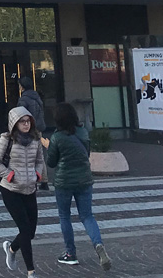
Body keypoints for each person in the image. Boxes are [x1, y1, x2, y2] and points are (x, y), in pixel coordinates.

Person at [46, 102, 111, 270]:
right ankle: (98, 244)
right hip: (84, 179)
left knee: (64, 216)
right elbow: (86, 154)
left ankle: (70, 253)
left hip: (64, 182)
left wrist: (48, 146)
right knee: (87, 216)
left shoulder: (57, 137)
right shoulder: (83, 132)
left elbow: (51, 162)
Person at [0, 106, 45, 276]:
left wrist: (37, 174)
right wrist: (9, 175)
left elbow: (40, 160)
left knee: (31, 231)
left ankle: (11, 248)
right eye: (22, 122)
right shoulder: (7, 139)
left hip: (30, 189)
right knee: (25, 230)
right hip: (11, 189)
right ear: (14, 123)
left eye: (28, 121)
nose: (26, 124)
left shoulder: (36, 139)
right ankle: (31, 271)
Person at [18, 75, 48, 188]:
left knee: (28, 156)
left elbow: (21, 115)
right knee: (39, 156)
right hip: (38, 128)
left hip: (28, 130)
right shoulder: (37, 97)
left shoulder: (24, 99)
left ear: (23, 86)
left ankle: (32, 181)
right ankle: (44, 180)